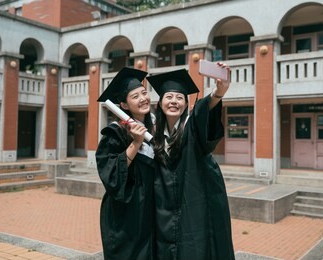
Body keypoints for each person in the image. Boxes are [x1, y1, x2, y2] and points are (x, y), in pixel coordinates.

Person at [146, 67, 235, 260]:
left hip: (195, 207)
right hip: (164, 213)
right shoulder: (153, 135)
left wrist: (218, 93)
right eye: (168, 97)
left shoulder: (191, 127)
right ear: (160, 102)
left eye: (179, 98)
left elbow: (203, 112)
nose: (174, 101)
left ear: (186, 104)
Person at [96, 67, 155, 260]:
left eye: (144, 93)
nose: (143, 98)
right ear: (124, 105)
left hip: (151, 208)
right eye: (135, 96)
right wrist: (136, 143)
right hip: (126, 211)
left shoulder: (157, 127)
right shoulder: (115, 133)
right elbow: (111, 174)